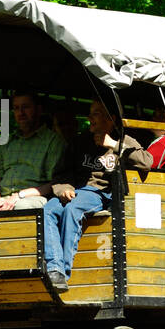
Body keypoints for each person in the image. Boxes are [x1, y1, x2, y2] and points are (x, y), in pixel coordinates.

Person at [43, 98, 153, 291]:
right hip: (75, 190)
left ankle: (63, 274)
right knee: (49, 209)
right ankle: (54, 268)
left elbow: (146, 162)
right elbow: (62, 171)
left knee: (72, 210)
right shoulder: (80, 141)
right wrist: (64, 188)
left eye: (95, 113)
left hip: (101, 193)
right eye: (90, 113)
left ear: (110, 118)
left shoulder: (124, 139)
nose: (90, 118)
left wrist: (113, 144)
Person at [0, 91, 67, 212]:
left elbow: (55, 184)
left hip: (35, 198)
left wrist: (20, 195)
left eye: (26, 107)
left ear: (39, 110)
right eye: (16, 108)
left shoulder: (53, 141)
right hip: (3, 199)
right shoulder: (6, 142)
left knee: (20, 208)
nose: (20, 113)